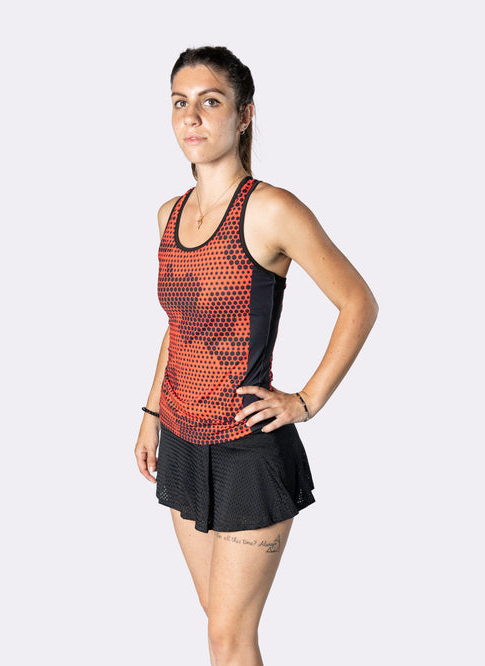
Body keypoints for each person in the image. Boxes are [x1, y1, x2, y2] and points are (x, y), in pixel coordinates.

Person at [134, 45, 378, 666]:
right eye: (180, 103)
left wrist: (305, 401)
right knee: (219, 627)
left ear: (244, 115)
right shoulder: (169, 215)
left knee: (229, 638)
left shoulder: (270, 209)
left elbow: (358, 303)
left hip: (247, 450)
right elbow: (179, 326)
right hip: (182, 442)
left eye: (210, 101)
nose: (192, 117)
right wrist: (151, 414)